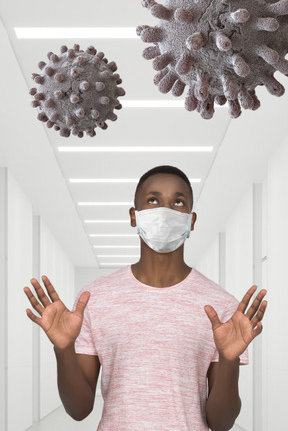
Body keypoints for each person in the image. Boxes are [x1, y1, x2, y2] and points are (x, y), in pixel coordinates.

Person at [24, 165, 267, 431]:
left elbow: (221, 423)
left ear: (191, 219)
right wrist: (63, 350)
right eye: (153, 200)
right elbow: (79, 410)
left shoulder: (221, 306)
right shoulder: (95, 298)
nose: (165, 211)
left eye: (178, 201)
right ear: (134, 216)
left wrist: (229, 360)